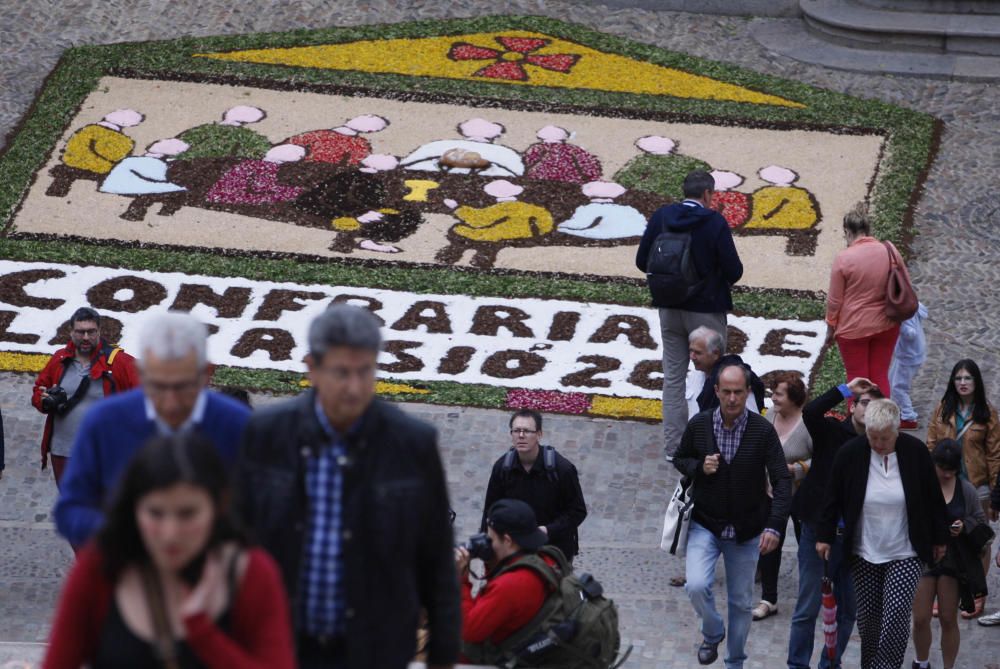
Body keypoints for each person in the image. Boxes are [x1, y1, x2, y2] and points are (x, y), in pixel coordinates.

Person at [234, 305, 460, 669]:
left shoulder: (412, 443)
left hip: (376, 650)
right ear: (312, 368)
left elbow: (435, 561)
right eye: (342, 373)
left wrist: (443, 657)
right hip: (282, 645)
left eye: (364, 372)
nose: (355, 388)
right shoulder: (267, 434)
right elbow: (235, 541)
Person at [42, 433, 295, 669]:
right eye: (155, 513)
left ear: (219, 507)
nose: (170, 534)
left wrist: (203, 634)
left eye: (188, 514)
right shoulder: (100, 566)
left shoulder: (251, 572)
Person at [53, 312, 251, 548]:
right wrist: (124, 531)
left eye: (182, 387)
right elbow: (70, 509)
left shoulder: (237, 424)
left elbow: (264, 504)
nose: (170, 402)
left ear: (204, 376)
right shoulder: (104, 422)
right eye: (157, 386)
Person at [673, 363, 791, 668]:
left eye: (738, 392)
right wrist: (700, 467)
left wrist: (775, 526)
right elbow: (681, 458)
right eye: (726, 392)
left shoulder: (762, 430)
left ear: (748, 392)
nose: (732, 398)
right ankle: (712, 632)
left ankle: (734, 662)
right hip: (706, 524)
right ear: (716, 392)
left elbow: (781, 479)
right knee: (696, 585)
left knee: (740, 603)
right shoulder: (700, 425)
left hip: (747, 530)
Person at [817, 399, 948, 669]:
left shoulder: (916, 452)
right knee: (869, 623)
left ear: (897, 431)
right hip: (865, 550)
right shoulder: (850, 454)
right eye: (872, 437)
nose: (878, 444)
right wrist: (824, 535)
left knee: (896, 616)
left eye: (884, 438)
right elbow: (832, 496)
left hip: (906, 550)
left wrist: (939, 538)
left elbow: (933, 498)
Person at [636, 170, 744, 461]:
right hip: (706, 313)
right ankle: (713, 444)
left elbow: (640, 260)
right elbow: (734, 271)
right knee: (715, 377)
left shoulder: (661, 216)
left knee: (673, 377)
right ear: (708, 195)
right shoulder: (714, 222)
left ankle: (674, 448)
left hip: (669, 309)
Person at [787, 377, 878, 669]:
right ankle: (797, 664)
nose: (869, 409)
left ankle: (830, 664)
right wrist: (846, 389)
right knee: (808, 605)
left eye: (876, 405)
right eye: (864, 403)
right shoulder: (831, 433)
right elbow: (812, 412)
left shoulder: (879, 446)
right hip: (817, 528)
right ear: (852, 407)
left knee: (848, 610)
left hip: (854, 537)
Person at [32, 307, 140, 487]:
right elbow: (39, 389)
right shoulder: (59, 358)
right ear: (71, 331)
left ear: (99, 331)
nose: (85, 337)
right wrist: (43, 401)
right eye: (80, 332)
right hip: (64, 450)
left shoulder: (121, 363)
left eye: (91, 332)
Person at [925, 358, 1000, 618]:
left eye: (968, 378)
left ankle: (978, 592)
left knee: (979, 537)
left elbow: (994, 453)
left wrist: (995, 492)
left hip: (977, 484)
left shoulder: (987, 413)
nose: (963, 383)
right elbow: (931, 443)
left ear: (976, 381)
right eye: (959, 378)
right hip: (946, 482)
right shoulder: (943, 408)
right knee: (944, 536)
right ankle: (944, 591)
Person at [911, 440, 990, 669]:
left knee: (948, 618)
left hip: (954, 560)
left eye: (951, 470)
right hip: (925, 558)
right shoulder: (921, 487)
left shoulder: (965, 490)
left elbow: (980, 522)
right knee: (921, 617)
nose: (947, 474)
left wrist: (963, 526)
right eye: (942, 468)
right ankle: (922, 661)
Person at [825, 202, 910, 400]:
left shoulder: (843, 258)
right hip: (887, 325)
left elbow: (834, 301)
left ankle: (856, 426)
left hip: (853, 329)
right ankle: (884, 423)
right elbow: (905, 283)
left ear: (847, 231)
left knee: (855, 381)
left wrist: (830, 329)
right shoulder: (889, 250)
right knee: (880, 377)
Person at [480, 409, 588, 562]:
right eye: (516, 430)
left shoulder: (562, 469)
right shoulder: (502, 468)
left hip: (554, 551)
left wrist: (547, 530)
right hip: (516, 550)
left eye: (527, 431)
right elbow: (490, 511)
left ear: (539, 434)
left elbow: (577, 511)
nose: (521, 436)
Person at [457, 499, 556, 660]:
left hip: (503, 655)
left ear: (508, 541)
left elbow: (469, 630)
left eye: (491, 539)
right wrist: (493, 562)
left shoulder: (511, 584)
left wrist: (460, 580)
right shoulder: (544, 559)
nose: (487, 543)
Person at [753, 373, 812, 621]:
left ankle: (816, 591)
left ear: (794, 398)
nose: (773, 398)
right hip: (772, 493)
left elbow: (822, 459)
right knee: (770, 543)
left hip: (800, 496)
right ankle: (769, 598)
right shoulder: (770, 417)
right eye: (774, 393)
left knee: (805, 545)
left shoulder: (808, 425)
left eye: (779, 394)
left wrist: (797, 469)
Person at [688, 326, 765, 414]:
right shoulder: (695, 376)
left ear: (716, 353)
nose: (692, 357)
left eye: (698, 353)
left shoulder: (736, 379)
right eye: (691, 351)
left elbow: (752, 420)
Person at [890, 302, 928, 430]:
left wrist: (897, 323)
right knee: (891, 379)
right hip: (910, 353)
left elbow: (911, 333)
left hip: (908, 356)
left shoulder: (903, 312)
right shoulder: (910, 302)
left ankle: (909, 418)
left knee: (898, 387)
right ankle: (892, 406)